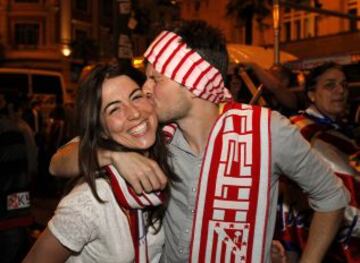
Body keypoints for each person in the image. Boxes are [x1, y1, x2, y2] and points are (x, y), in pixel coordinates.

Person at [49, 20, 349, 262]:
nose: (146, 88)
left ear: (194, 83)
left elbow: (332, 197)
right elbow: (58, 162)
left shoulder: (266, 131)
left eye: (156, 78)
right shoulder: (156, 136)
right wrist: (113, 156)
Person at [23, 64, 177, 262]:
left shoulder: (168, 156)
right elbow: (55, 164)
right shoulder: (92, 199)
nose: (134, 113)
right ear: (102, 130)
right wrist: (113, 156)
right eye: (114, 109)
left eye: (136, 97)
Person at [276, 62, 360, 262]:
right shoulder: (301, 130)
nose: (340, 90)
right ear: (312, 94)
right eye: (330, 85)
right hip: (311, 234)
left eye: (344, 85)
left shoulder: (341, 131)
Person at [0, 93, 34, 263]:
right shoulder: (14, 129)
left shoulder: (12, 130)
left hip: (9, 219)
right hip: (13, 218)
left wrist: (19, 216)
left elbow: (18, 178)